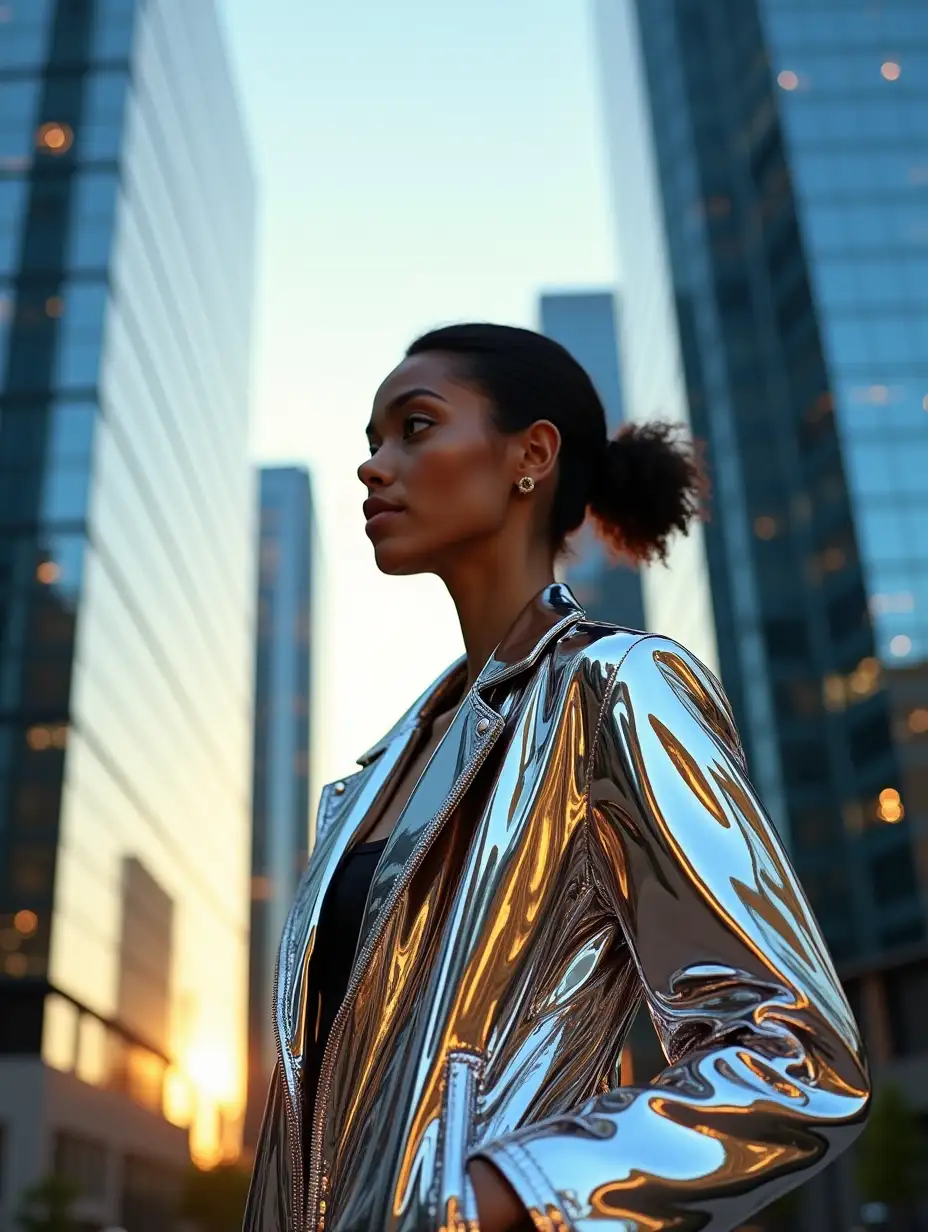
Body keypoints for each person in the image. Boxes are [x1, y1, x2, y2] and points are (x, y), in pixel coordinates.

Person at [244, 324, 869, 1232]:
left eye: (414, 428)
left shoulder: (615, 687)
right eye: (371, 442)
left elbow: (797, 1053)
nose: (373, 467)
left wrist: (506, 1194)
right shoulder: (370, 778)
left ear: (530, 455)